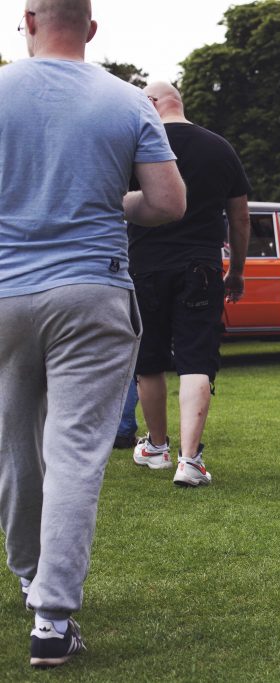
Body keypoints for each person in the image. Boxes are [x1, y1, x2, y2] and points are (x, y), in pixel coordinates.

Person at [0, 1, 185, 667]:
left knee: (15, 441)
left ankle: (28, 575)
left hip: (4, 292)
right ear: (91, 28)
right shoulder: (127, 100)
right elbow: (167, 203)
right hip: (92, 288)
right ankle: (52, 617)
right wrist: (114, 201)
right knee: (75, 449)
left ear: (27, 21)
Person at [129, 81, 250, 489]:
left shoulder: (139, 142)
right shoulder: (220, 147)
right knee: (196, 358)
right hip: (201, 265)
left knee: (149, 360)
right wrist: (236, 270)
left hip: (144, 266)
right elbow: (240, 219)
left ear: (151, 103)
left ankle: (157, 447)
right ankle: (190, 460)